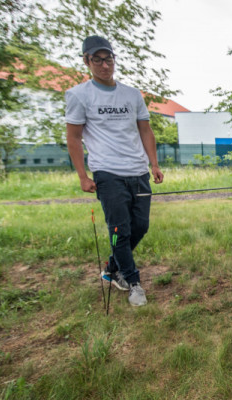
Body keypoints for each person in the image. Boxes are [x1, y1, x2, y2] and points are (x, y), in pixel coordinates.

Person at [65, 35, 164, 307]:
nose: (104, 65)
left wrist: (153, 163)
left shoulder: (132, 95)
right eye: (97, 60)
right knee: (119, 229)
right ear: (87, 61)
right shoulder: (78, 95)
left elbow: (145, 129)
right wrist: (83, 176)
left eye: (108, 58)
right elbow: (73, 138)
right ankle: (133, 282)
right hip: (107, 173)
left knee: (139, 226)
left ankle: (111, 268)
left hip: (138, 171)